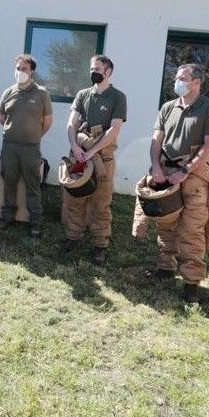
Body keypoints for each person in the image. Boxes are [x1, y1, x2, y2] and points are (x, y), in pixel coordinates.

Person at [141, 64, 209, 301]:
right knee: (166, 223)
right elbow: (157, 140)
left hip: (194, 177)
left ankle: (191, 283)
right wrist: (156, 166)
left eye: (183, 78)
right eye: (176, 78)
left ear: (196, 82)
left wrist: (185, 171)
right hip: (165, 173)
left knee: (192, 228)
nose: (177, 82)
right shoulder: (168, 107)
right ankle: (165, 267)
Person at [59, 55, 126, 265]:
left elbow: (113, 130)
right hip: (78, 154)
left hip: (102, 159)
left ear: (108, 72)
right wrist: (75, 147)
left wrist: (92, 151)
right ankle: (73, 236)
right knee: (74, 198)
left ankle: (100, 244)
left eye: (96, 68)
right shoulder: (82, 95)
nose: (92, 72)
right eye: (91, 68)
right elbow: (72, 123)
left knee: (100, 202)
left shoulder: (117, 97)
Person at [0, 54, 53, 237]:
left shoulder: (42, 93)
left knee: (33, 184)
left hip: (31, 148)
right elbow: (2, 117)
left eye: (24, 69)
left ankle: (35, 222)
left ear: (32, 71)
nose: (20, 72)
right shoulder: (8, 92)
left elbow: (48, 121)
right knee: (9, 181)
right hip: (10, 146)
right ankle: (7, 217)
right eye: (18, 68)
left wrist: (34, 136)